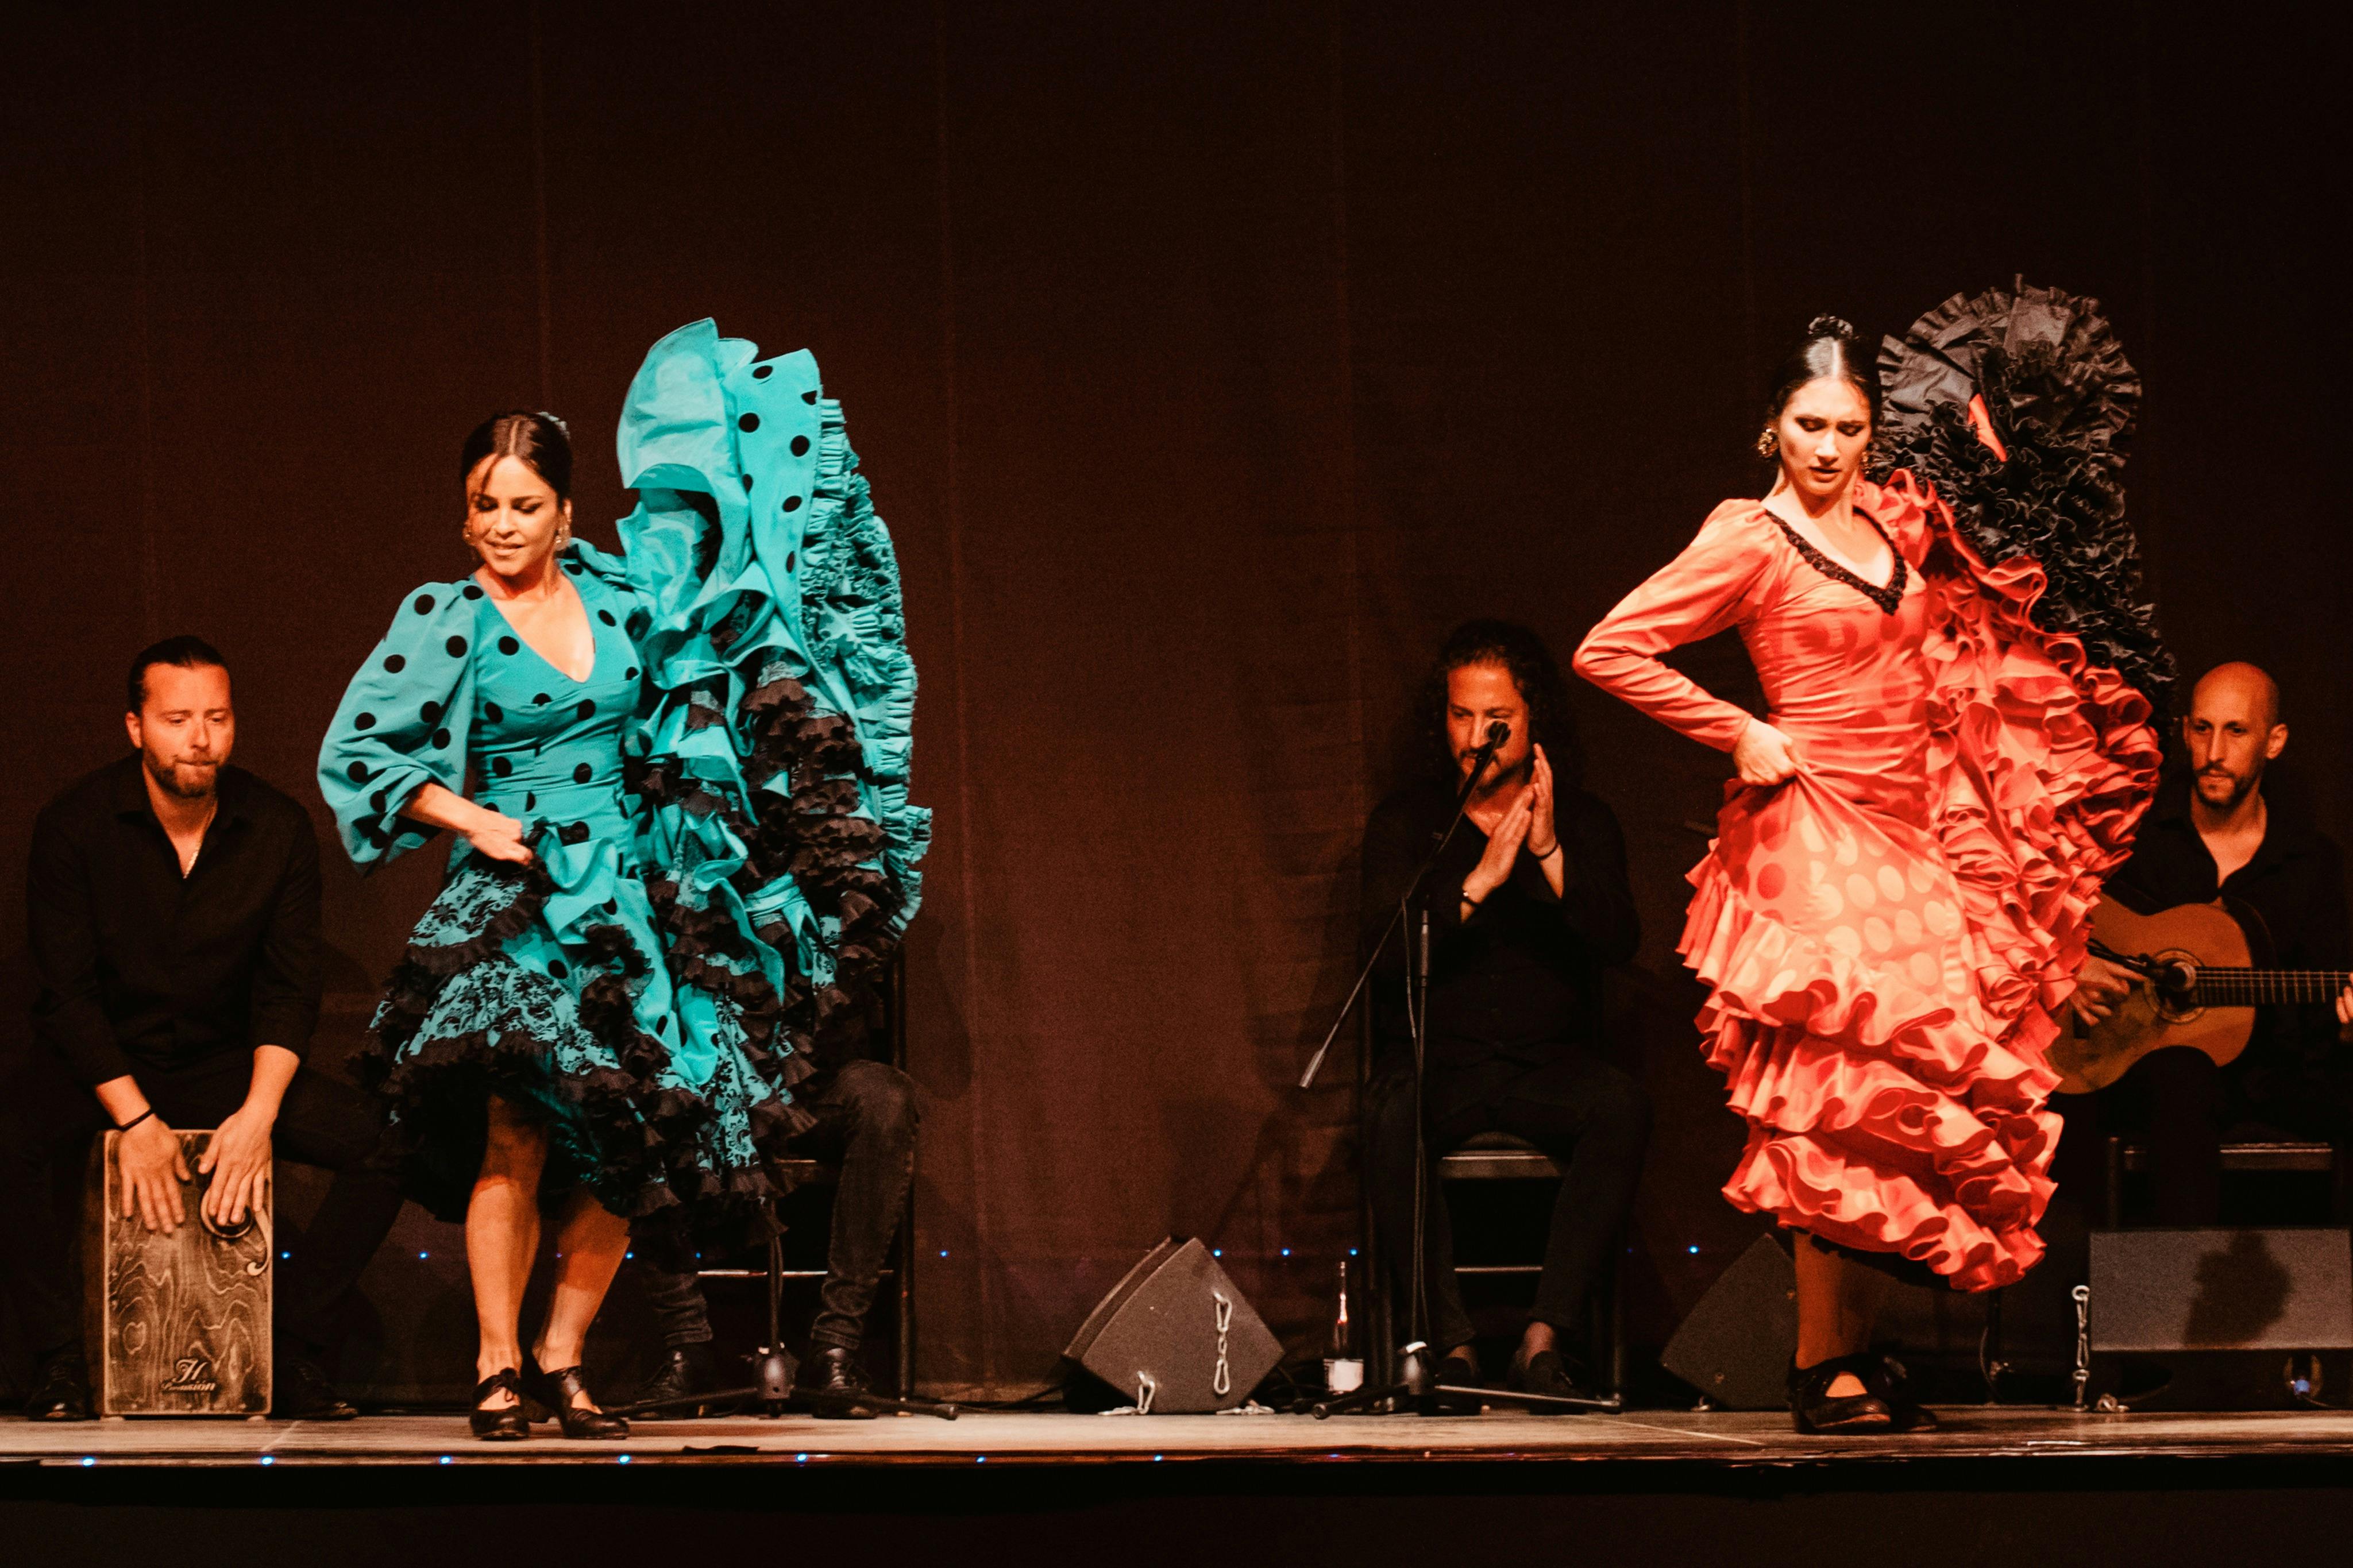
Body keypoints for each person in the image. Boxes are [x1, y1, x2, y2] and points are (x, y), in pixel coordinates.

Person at [318, 322, 925, 1441]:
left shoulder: (621, 600)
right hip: (517, 897)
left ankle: (564, 1357)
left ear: (563, 514)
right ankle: (497, 1365)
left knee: (632, 1136)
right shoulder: (446, 619)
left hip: (634, 893)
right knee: (515, 1127)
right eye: (485, 505)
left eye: (524, 505)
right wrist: (472, 816)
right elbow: (359, 756)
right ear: (465, 513)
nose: (503, 525)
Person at [1574, 314, 2161, 1432]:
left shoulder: (1893, 525)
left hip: (1911, 832)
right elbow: (1609, 647)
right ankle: (1812, 1369)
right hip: (1814, 824)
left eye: (1848, 426)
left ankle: (1850, 1350)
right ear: (1770, 430)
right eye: (1808, 425)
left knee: (1891, 1099)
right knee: (1828, 1099)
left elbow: (1982, 502)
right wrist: (1735, 730)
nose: (1830, 445)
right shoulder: (1749, 535)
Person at [3, 638, 403, 1421]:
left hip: (224, 1060)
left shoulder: (276, 826)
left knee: (390, 1143)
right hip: (106, 1061)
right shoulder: (77, 825)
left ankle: (295, 1351)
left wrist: (257, 1117)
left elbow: (291, 991)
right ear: (135, 727)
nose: (199, 738)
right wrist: (139, 1121)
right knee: (7, 1139)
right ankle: (56, 1361)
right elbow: (67, 996)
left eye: (216, 717)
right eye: (177, 718)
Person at [1360, 621, 1648, 1405]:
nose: (1477, 735)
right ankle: (1451, 1346)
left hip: (1544, 1067)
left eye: (1498, 719)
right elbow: (1382, 958)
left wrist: (1550, 856)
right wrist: (1477, 881)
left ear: (1530, 721)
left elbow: (1619, 939)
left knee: (1620, 1105)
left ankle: (1543, 1339)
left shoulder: (1584, 820)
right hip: (1442, 1064)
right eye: (1461, 716)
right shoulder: (1408, 822)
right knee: (1386, 1112)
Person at [2068, 662, 2353, 1223]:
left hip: (2273, 1076)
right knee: (2181, 1071)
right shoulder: (2131, 836)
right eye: (2201, 729)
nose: (2214, 750)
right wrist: (2065, 969)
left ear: (2274, 742)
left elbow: (2329, 989)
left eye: (2236, 731)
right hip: (2142, 1069)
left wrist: (2346, 1025)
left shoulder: (2310, 862)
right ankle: (2177, 1301)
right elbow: (2050, 916)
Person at [625, 1046, 919, 1415]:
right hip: (703, 1073)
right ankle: (688, 1349)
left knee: (885, 1095)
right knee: (642, 1088)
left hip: (810, 1088)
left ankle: (834, 1349)